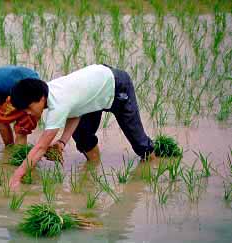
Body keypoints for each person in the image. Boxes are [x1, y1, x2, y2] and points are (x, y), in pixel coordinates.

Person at [8, 64, 155, 188]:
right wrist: (62, 142)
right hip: (96, 89)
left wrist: (16, 176)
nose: (27, 113)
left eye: (27, 108)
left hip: (117, 86)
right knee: (82, 137)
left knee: (141, 146)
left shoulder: (58, 103)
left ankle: (153, 173)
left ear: (40, 99)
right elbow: (76, 111)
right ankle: (94, 169)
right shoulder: (49, 90)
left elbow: (40, 147)